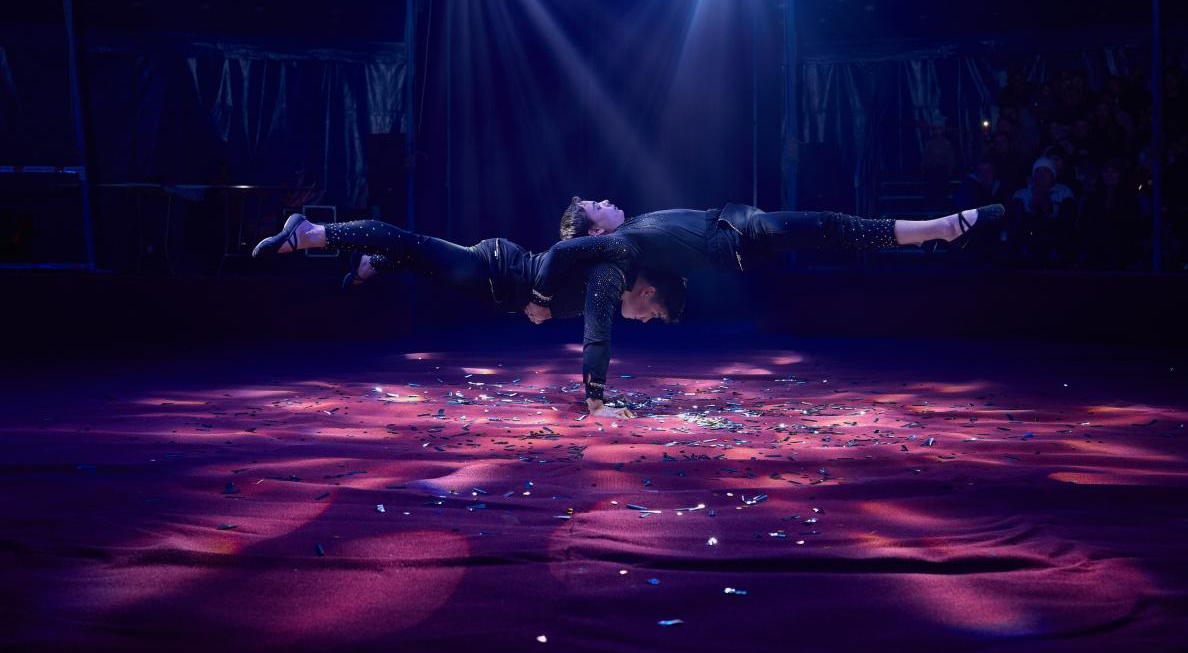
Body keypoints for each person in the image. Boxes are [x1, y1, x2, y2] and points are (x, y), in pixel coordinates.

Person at [523, 198, 1005, 382]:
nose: (606, 200)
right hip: (744, 235)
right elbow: (566, 258)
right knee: (832, 226)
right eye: (597, 206)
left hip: (741, 235)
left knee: (833, 229)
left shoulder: (629, 246)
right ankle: (941, 228)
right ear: (596, 231)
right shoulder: (621, 246)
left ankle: (938, 230)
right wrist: (542, 301)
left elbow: (629, 299)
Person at [252, 216, 685, 419]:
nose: (645, 321)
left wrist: (545, 306)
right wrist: (596, 403)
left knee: (422, 260)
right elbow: (595, 332)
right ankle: (312, 233)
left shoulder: (612, 276)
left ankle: (374, 263)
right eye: (654, 314)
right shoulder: (611, 277)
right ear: (647, 293)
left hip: (497, 286)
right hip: (497, 269)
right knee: (414, 245)